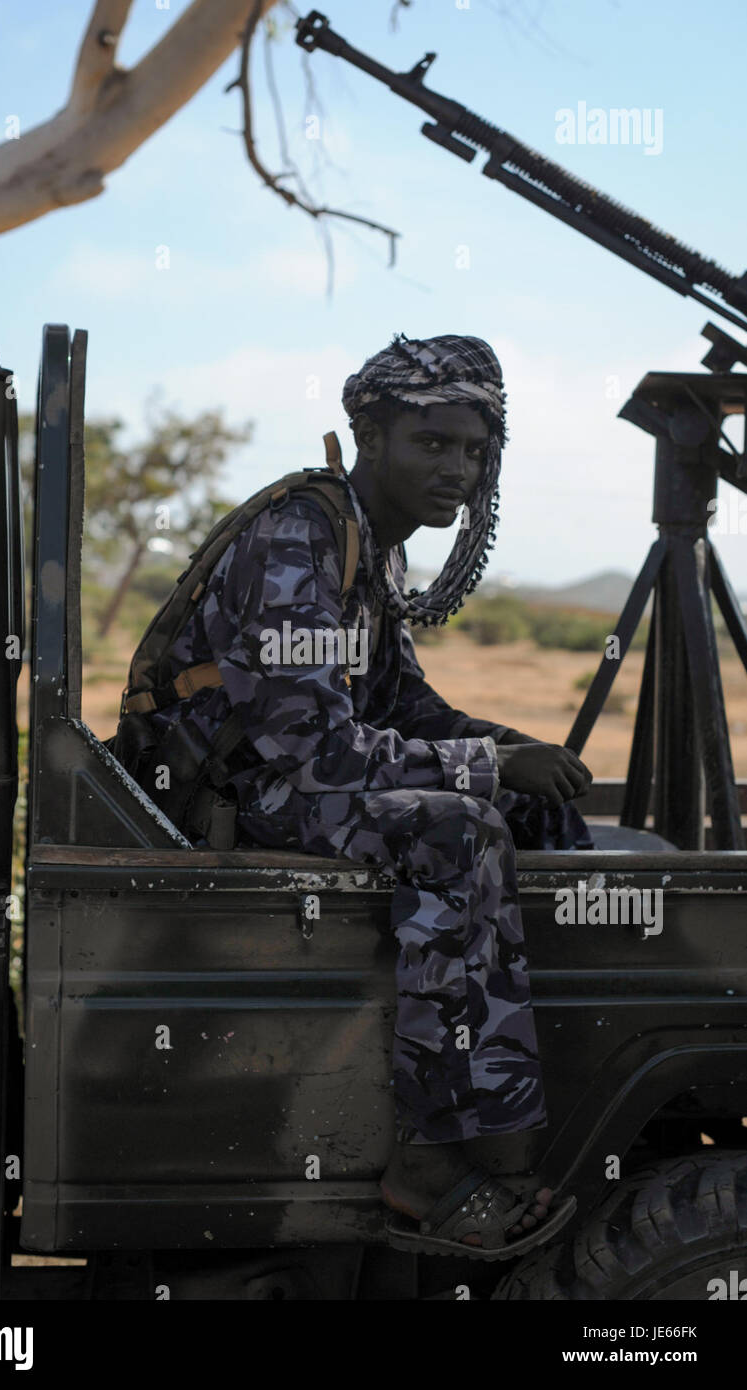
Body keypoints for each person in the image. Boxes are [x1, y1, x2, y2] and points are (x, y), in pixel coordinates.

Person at [140, 332, 594, 1258]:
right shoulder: (302, 532)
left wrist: (512, 749)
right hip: (235, 791)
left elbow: (402, 706)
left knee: (533, 805)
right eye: (433, 444)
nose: (457, 470)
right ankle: (429, 1162)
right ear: (369, 434)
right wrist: (487, 771)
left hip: (290, 776)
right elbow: (313, 747)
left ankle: (521, 1092)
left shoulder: (369, 550)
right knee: (456, 833)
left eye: (473, 450)